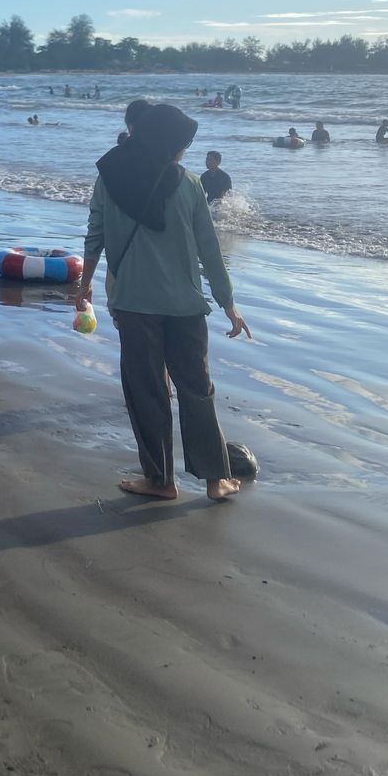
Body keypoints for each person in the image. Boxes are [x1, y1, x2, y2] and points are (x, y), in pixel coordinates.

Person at [77, 102, 251, 503]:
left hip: (134, 305)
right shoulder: (189, 184)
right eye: (182, 143)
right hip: (186, 307)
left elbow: (95, 235)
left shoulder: (109, 178)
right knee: (196, 389)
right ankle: (215, 479)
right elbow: (210, 250)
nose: (184, 151)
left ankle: (160, 480)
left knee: (146, 390)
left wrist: (84, 286)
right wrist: (228, 303)